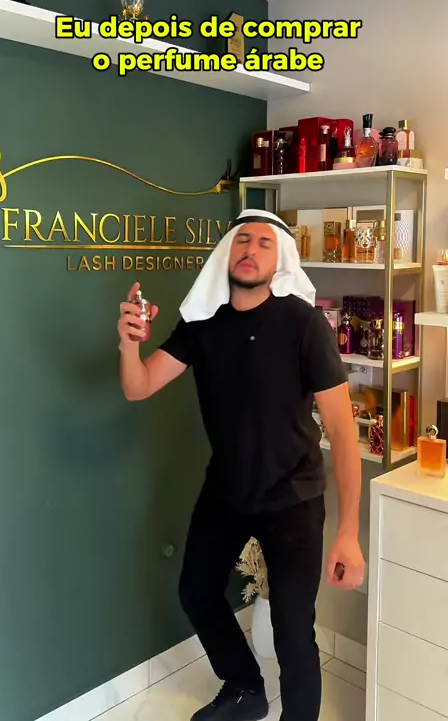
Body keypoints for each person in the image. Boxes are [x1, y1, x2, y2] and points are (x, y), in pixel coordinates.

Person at [118, 209, 364, 721]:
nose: (251, 250)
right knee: (196, 592)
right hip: (227, 491)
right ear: (227, 253)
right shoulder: (202, 324)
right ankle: (245, 689)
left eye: (264, 243)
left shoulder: (303, 324)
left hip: (294, 497)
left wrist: (348, 533)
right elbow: (138, 386)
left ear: (280, 261)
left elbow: (343, 433)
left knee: (293, 632)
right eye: (243, 240)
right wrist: (129, 343)